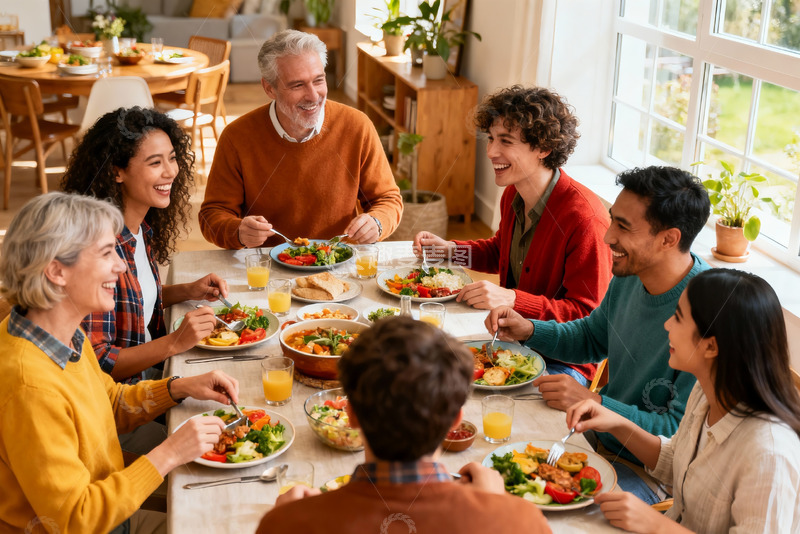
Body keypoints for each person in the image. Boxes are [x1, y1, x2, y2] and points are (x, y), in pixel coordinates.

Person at [0, 192, 235, 534]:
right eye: (106, 253)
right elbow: (77, 518)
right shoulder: (29, 387)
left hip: (110, 505)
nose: (122, 266)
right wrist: (169, 453)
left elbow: (107, 401)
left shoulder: (60, 330)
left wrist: (178, 387)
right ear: (56, 271)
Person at [486, 165, 710, 502]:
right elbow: (592, 337)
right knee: (495, 474)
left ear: (669, 239)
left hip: (648, 474)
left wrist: (595, 402)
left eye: (623, 226)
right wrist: (530, 329)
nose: (607, 237)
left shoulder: (705, 315)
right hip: (594, 439)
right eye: (612, 219)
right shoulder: (631, 272)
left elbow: (675, 436)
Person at [256, 317, 551, 534]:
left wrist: (290, 518)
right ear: (455, 421)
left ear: (351, 414)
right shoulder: (523, 523)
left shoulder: (285, 524)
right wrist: (498, 510)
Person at [567, 269, 800, 532]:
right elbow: (676, 461)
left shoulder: (769, 454)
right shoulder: (705, 391)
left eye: (678, 317)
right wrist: (616, 422)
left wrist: (655, 525)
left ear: (711, 346)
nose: (667, 325)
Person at [414, 85, 612, 385]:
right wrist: (451, 251)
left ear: (543, 148)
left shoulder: (584, 219)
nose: (491, 151)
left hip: (563, 365)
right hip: (513, 344)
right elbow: (499, 251)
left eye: (505, 141)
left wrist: (513, 299)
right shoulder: (513, 194)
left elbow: (587, 317)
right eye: (491, 139)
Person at [61, 107, 226, 384]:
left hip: (152, 373)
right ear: (117, 172)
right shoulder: (98, 249)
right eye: (155, 163)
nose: (171, 171)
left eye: (172, 158)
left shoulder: (137, 228)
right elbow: (100, 362)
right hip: (124, 400)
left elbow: (131, 298)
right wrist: (175, 342)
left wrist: (187, 291)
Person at [199, 29, 403, 249]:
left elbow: (388, 199)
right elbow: (212, 215)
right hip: (267, 268)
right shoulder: (236, 137)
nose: (314, 96)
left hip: (338, 261)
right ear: (269, 88)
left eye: (318, 80)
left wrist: (377, 222)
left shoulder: (357, 126)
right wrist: (237, 232)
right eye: (297, 85)